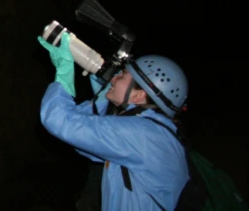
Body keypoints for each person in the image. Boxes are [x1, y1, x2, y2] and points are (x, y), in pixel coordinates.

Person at [38, 32, 190, 210]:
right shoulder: (155, 132)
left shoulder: (141, 135)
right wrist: (103, 99)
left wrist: (63, 76)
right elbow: (86, 139)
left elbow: (61, 121)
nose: (115, 77)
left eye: (123, 75)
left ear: (138, 94)